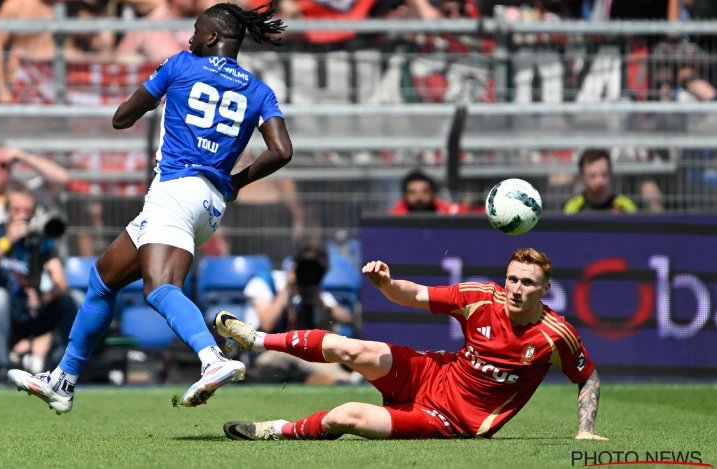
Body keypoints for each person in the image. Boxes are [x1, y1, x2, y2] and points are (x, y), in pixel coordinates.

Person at [7, 1, 293, 413]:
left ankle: (212, 359)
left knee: (159, 287)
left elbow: (122, 117)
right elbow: (281, 151)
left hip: (174, 190)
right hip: (210, 202)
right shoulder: (259, 89)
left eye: (195, 30)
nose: (191, 37)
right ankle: (63, 380)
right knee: (103, 277)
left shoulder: (180, 64)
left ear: (211, 37)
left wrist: (155, 88)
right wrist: (235, 182)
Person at [215, 248, 607, 441]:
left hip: (450, 421)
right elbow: (416, 295)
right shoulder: (480, 296)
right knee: (355, 349)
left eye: (527, 283)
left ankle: (275, 430)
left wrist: (585, 429)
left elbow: (587, 377)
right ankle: (257, 338)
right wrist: (387, 284)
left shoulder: (555, 335)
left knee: (346, 415)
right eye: (512, 279)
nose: (516, 289)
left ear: (545, 289)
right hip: (431, 374)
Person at [0, 184, 75, 384]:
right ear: (6, 211)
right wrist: (8, 240)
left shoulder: (40, 240)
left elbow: (61, 283)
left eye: (27, 211)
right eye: (16, 210)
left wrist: (44, 297)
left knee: (72, 301)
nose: (22, 216)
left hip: (27, 312)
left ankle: (60, 370)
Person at [241, 243, 356, 384]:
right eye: (306, 268)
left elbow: (348, 318)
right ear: (294, 266)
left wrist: (319, 305)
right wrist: (287, 289)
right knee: (287, 359)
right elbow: (266, 324)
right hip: (266, 356)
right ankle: (338, 378)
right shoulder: (266, 282)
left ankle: (317, 379)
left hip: (302, 358)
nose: (309, 274)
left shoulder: (315, 293)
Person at [0, 142, 69, 230]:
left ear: (10, 166)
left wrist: (20, 155)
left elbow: (60, 178)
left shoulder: (28, 193)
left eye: (3, 165)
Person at [563, 149, 637, 214]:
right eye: (593, 176)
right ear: (582, 177)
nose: (599, 181)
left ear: (610, 174)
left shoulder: (625, 206)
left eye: (604, 175)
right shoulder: (573, 208)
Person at [389, 169, 463, 215]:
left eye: (424, 192)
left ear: (432, 193)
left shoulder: (450, 213)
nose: (419, 197)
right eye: (412, 192)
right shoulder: (394, 219)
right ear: (405, 195)